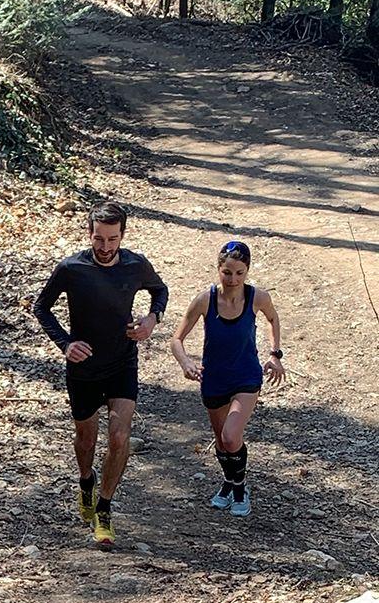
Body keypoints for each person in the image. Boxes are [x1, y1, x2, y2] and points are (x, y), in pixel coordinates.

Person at [34, 201, 168, 545]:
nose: (105, 246)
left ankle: (105, 509)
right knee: (86, 441)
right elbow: (42, 308)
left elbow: (160, 290)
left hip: (122, 362)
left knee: (119, 437)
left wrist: (152, 319)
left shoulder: (136, 265)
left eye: (112, 239)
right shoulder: (71, 268)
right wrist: (65, 344)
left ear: (122, 235)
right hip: (83, 367)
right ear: (89, 233)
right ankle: (86, 481)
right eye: (99, 239)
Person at [170, 241, 285, 517]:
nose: (233, 279)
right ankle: (228, 483)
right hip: (214, 378)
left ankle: (240, 488)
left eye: (239, 273)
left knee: (231, 436)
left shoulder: (257, 297)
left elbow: (273, 319)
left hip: (246, 376)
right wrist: (186, 363)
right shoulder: (205, 300)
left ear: (247, 271)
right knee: (221, 442)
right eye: (227, 273)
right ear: (218, 269)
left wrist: (275, 354)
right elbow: (176, 339)